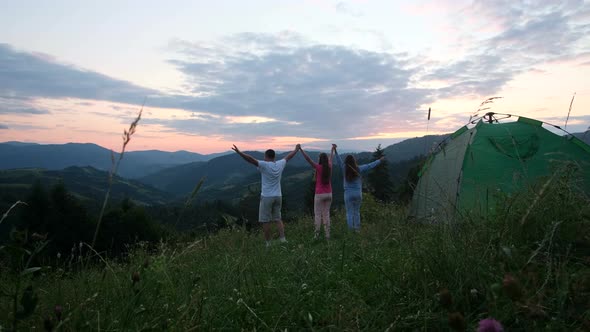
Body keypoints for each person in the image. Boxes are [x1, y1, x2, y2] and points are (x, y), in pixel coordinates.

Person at [232, 144, 299, 246]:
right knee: (278, 219)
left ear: (266, 156)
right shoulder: (280, 164)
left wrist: (239, 152)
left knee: (265, 221)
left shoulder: (264, 165)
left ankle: (268, 243)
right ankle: (283, 239)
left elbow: (250, 159)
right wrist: (296, 149)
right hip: (278, 196)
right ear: (274, 156)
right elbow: (289, 156)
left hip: (267, 197)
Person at [333, 144, 384, 231]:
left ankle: (350, 231)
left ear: (346, 162)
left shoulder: (344, 168)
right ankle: (357, 230)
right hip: (358, 194)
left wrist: (335, 150)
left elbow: (338, 161)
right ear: (354, 161)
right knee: (356, 212)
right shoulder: (359, 168)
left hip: (348, 194)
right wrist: (379, 160)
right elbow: (369, 165)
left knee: (349, 213)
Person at [299, 145, 334, 239]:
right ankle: (328, 235)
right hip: (329, 193)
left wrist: (301, 150)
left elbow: (308, 159)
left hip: (319, 194)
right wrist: (332, 150)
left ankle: (317, 235)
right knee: (326, 214)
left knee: (318, 215)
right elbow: (331, 158)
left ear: (320, 160)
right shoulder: (329, 166)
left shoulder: (318, 167)